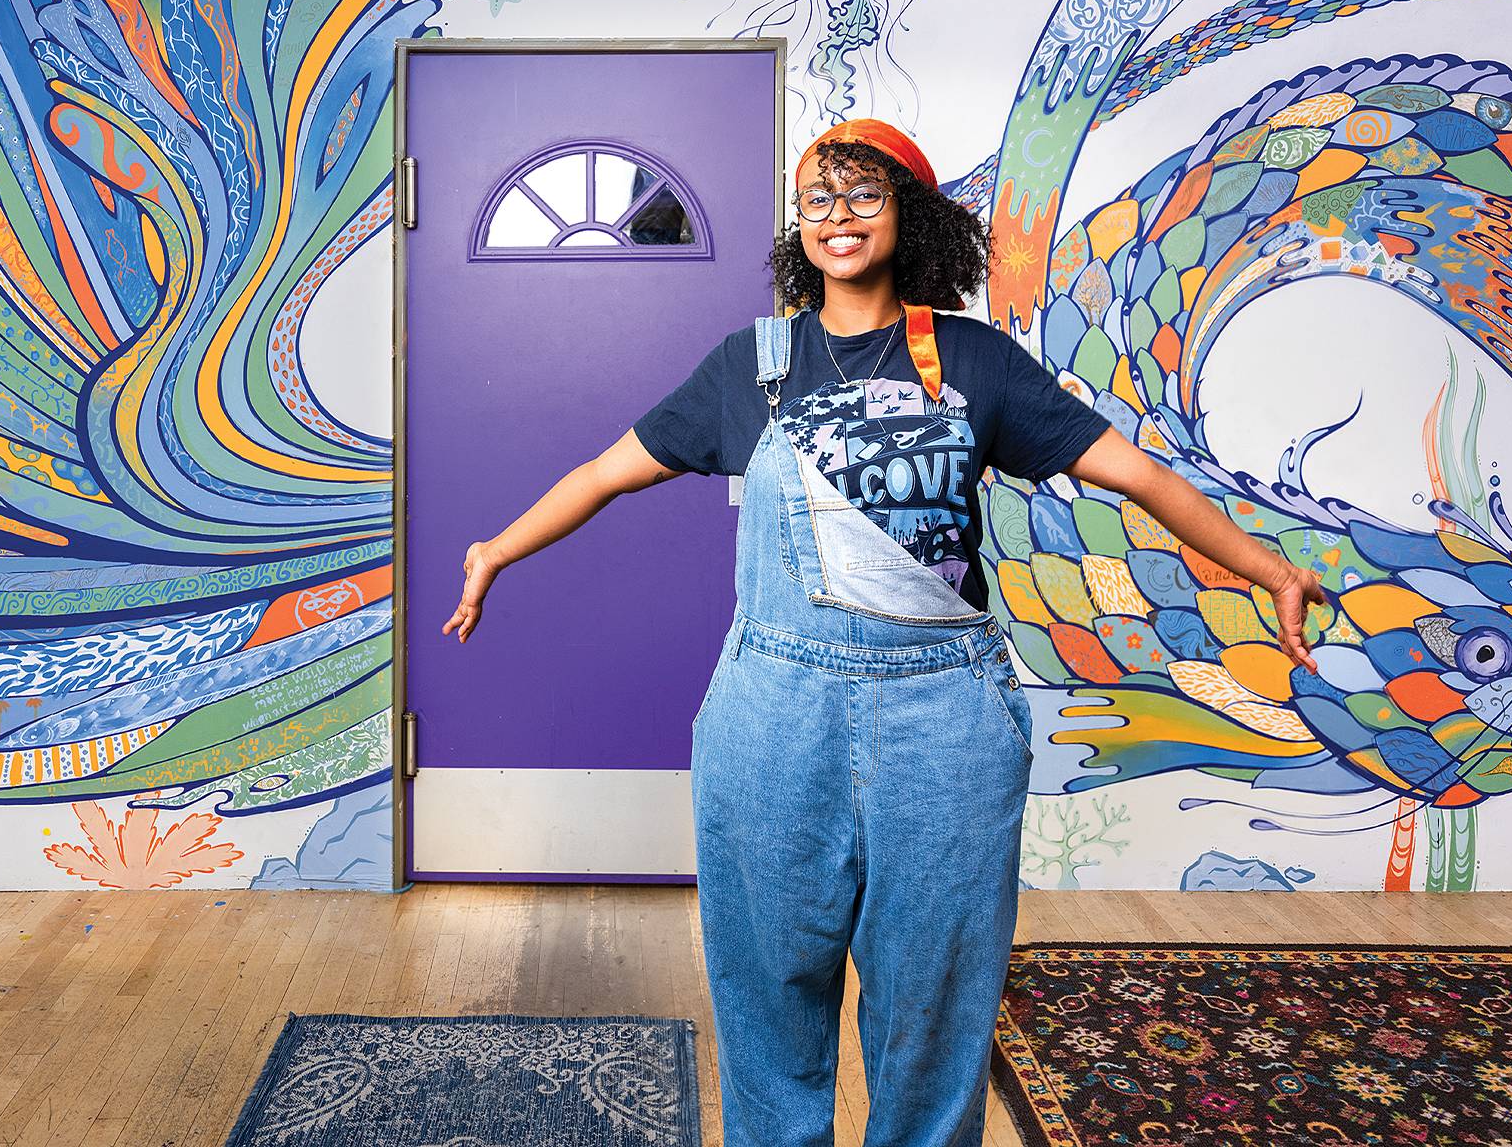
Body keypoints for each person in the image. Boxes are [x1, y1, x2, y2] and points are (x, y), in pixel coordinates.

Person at [441, 119, 1326, 1147]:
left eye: (865, 194)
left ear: (909, 214)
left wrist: (1266, 567)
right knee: (769, 989)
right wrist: (497, 547)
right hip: (773, 713)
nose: (840, 217)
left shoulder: (977, 362)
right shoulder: (753, 364)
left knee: (933, 1005)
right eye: (819, 198)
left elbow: (1133, 471)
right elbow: (606, 470)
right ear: (798, 225)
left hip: (941, 720)